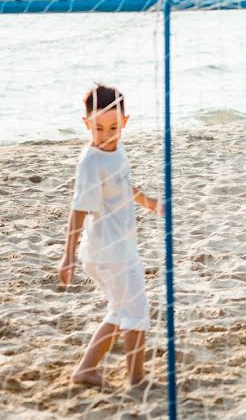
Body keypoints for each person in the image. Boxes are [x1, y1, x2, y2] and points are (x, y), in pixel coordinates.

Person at [58, 84, 162, 387]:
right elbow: (78, 210)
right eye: (99, 128)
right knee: (137, 312)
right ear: (86, 124)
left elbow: (123, 184)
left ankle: (87, 370)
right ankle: (136, 378)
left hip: (121, 247)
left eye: (114, 126)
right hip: (108, 251)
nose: (106, 134)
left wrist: (149, 203)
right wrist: (67, 257)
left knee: (122, 311)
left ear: (125, 122)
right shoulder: (91, 162)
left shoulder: (116, 148)